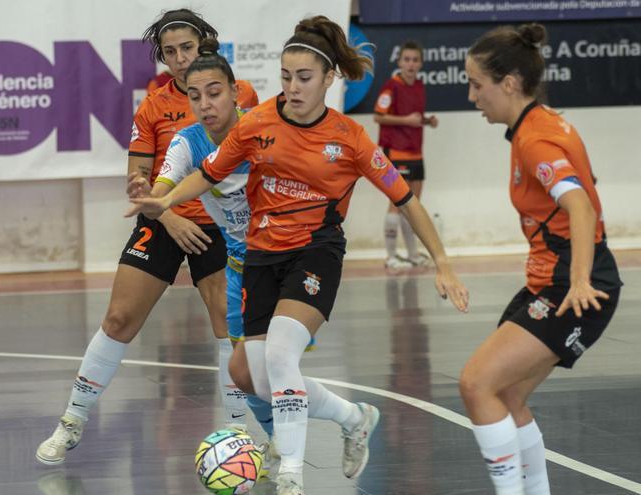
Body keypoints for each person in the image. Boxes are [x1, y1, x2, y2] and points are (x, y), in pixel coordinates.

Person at [127, 15, 469, 495]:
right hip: (261, 256)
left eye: (304, 78)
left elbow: (406, 199)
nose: (293, 87)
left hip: (315, 250)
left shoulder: (350, 138)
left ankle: (290, 472)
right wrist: (163, 201)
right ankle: (354, 417)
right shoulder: (260, 122)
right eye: (285, 77)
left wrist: (444, 263)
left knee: (283, 354)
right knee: (249, 374)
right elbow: (207, 172)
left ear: (329, 79)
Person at [34, 8, 259, 467]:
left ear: (206, 46)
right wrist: (163, 209)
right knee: (119, 318)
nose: (179, 59)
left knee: (226, 322)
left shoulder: (242, 95)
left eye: (187, 48)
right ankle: (72, 421)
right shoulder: (153, 107)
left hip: (221, 225)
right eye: (170, 51)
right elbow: (138, 177)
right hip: (165, 218)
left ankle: (237, 436)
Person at [460, 23, 622, 495]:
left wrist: (577, 279)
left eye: (477, 84)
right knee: (505, 394)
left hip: (572, 283)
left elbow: (581, 206)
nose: (472, 97)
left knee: (476, 384)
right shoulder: (538, 125)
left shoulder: (535, 141)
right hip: (549, 280)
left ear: (508, 83)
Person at [373, 41, 439, 269]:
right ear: (399, 62)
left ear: (420, 63)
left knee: (414, 206)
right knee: (396, 203)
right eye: (406, 59)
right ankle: (391, 257)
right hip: (396, 152)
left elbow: (414, 116)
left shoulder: (419, 86)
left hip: (416, 152)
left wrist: (426, 121)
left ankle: (412, 254)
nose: (411, 64)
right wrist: (406, 120)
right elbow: (378, 116)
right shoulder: (391, 86)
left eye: (415, 60)